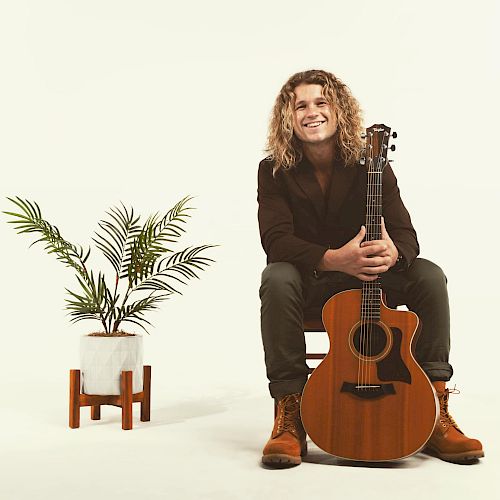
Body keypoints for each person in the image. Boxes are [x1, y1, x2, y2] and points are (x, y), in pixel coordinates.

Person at [257, 69, 483, 468]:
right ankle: (289, 414)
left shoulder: (372, 163)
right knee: (276, 276)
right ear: (288, 118)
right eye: (301, 105)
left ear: (340, 110)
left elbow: (407, 236)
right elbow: (276, 241)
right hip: (316, 283)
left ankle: (435, 410)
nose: (312, 112)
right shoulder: (273, 170)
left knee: (429, 274)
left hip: (373, 283)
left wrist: (393, 254)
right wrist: (333, 258)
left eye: (322, 102)